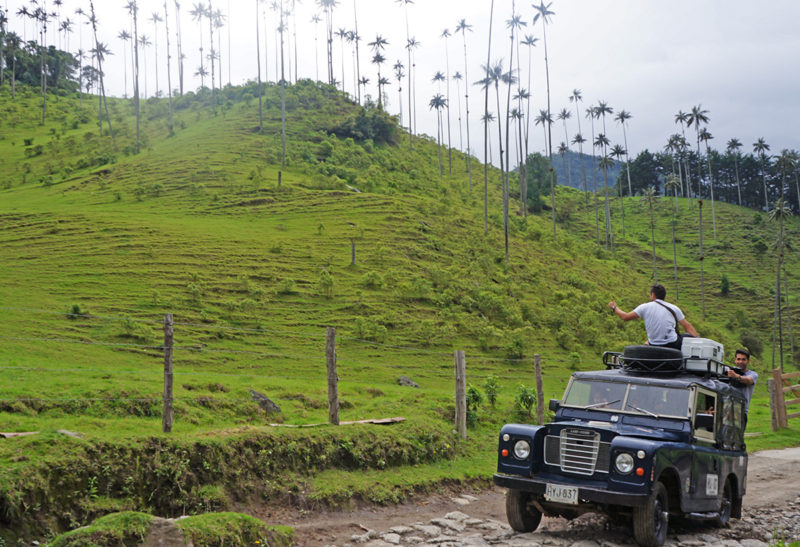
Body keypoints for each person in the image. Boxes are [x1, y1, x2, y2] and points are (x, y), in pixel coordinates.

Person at [608, 284, 699, 350]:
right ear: (664, 296)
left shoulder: (645, 307)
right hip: (672, 343)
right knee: (686, 336)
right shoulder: (674, 308)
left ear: (653, 295)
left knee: (649, 340)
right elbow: (688, 327)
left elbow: (625, 317)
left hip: (654, 344)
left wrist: (614, 307)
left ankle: (647, 345)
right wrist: (699, 340)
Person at [727, 348, 758, 414]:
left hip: (742, 411)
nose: (740, 362)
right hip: (727, 410)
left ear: (748, 361)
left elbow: (749, 380)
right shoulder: (729, 371)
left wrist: (736, 376)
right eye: (738, 359)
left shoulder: (753, 374)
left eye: (743, 359)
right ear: (735, 360)